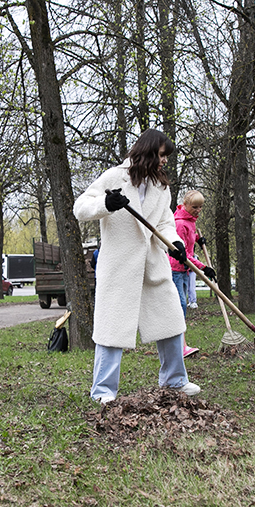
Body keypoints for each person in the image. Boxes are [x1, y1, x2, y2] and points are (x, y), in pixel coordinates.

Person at [73, 128, 201, 402]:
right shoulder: (114, 177)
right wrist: (106, 203)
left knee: (171, 321)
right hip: (120, 267)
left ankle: (175, 380)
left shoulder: (160, 186)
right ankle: (103, 392)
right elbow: (81, 207)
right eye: (163, 155)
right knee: (112, 329)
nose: (165, 161)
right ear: (150, 151)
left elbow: (165, 221)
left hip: (153, 264)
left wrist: (175, 243)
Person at [169, 190, 216, 357]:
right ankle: (179, 346)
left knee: (181, 306)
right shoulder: (180, 223)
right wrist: (203, 267)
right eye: (195, 207)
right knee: (180, 306)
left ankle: (179, 344)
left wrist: (197, 239)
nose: (198, 210)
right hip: (175, 268)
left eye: (201, 207)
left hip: (184, 269)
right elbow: (184, 254)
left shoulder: (190, 221)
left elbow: (189, 239)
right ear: (185, 205)